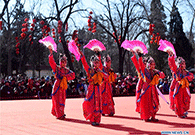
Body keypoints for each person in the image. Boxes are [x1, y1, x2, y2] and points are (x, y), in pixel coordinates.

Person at [80, 50, 108, 126]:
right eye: (94, 62)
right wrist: (82, 55)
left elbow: (106, 77)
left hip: (98, 89)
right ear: (92, 63)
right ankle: (92, 119)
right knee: (91, 103)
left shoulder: (100, 71)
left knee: (98, 104)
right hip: (91, 89)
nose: (96, 64)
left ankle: (97, 119)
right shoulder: (90, 71)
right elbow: (84, 64)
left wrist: (101, 72)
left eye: (97, 62)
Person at [137, 52, 165, 122]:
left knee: (154, 102)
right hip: (146, 89)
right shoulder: (145, 71)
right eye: (151, 64)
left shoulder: (155, 71)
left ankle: (153, 116)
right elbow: (141, 65)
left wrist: (159, 74)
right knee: (146, 103)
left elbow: (162, 75)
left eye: (153, 64)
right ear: (148, 64)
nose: (153, 66)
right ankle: (146, 117)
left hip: (153, 89)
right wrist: (140, 57)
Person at [49, 48, 75, 120]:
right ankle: (59, 114)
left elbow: (73, 75)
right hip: (57, 86)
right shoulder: (57, 68)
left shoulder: (67, 70)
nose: (63, 63)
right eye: (62, 61)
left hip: (63, 87)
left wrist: (66, 77)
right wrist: (51, 54)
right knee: (57, 100)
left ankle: (61, 112)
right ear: (60, 62)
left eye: (65, 62)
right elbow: (52, 62)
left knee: (62, 100)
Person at [167, 51, 194, 118]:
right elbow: (172, 64)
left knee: (186, 99)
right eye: (182, 64)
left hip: (185, 88)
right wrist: (171, 56)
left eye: (184, 64)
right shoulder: (177, 71)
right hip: (178, 87)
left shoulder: (186, 71)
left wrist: (188, 77)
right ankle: (179, 113)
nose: (184, 65)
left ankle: (184, 111)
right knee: (178, 100)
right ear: (179, 64)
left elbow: (191, 77)